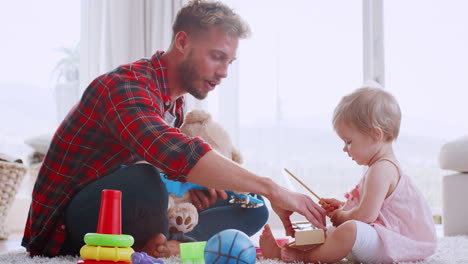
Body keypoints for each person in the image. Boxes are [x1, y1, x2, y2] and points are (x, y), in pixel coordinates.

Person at [22, 0, 326, 258]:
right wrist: (272, 187)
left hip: (133, 210)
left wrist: (192, 193)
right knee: (147, 181)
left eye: (229, 62)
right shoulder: (125, 87)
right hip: (66, 227)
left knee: (252, 207)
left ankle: (164, 245)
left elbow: (173, 169)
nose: (223, 73)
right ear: (183, 42)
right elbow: (174, 154)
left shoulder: (175, 104)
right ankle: (157, 240)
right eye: (217, 57)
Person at [260, 87, 437, 263]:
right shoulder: (380, 168)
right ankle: (280, 252)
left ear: (376, 135)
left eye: (349, 142)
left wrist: (343, 216)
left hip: (392, 246)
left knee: (349, 230)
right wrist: (343, 207)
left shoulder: (382, 170)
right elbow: (374, 209)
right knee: (329, 233)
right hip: (379, 241)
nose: (345, 149)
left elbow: (366, 216)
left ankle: (304, 257)